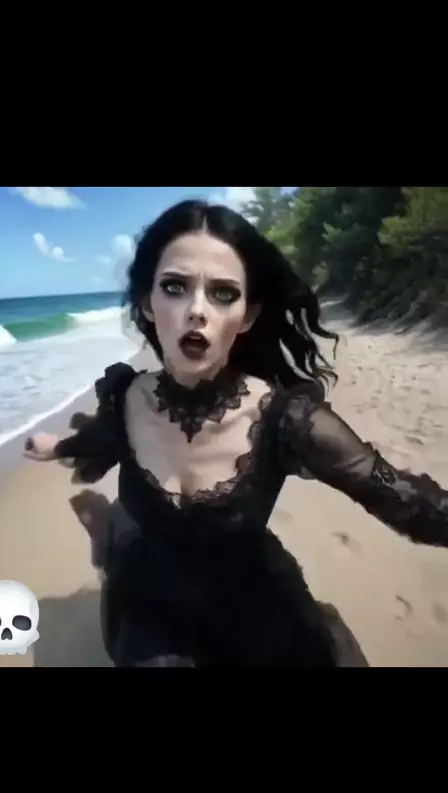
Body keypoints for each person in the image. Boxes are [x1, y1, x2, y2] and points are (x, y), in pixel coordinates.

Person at [24, 199, 448, 667]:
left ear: (247, 315)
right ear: (147, 302)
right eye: (175, 287)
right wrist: (57, 446)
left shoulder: (286, 420)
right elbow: (103, 437)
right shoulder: (124, 397)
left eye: (223, 293)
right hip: (151, 603)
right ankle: (105, 533)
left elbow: (408, 502)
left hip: (254, 606)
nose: (196, 311)